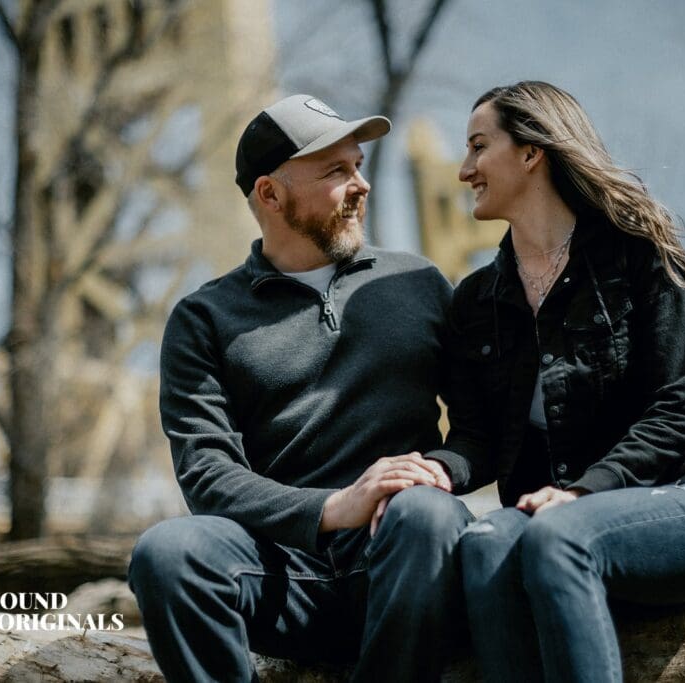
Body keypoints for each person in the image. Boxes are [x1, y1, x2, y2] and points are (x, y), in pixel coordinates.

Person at [127, 94, 473, 683]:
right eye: (337, 171)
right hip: (282, 574)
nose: (361, 185)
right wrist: (335, 507)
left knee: (426, 516)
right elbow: (208, 472)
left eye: (359, 166)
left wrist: (430, 473)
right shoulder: (203, 318)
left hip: (405, 557)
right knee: (167, 554)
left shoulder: (418, 282)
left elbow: (482, 425)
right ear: (270, 194)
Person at [424, 81, 685, 682]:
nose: (464, 169)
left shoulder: (636, 251)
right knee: (487, 542)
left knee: (556, 539)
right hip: (557, 520)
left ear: (530, 152)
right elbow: (477, 440)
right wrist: (435, 469)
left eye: (477, 146)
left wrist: (581, 494)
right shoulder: (476, 301)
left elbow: (678, 411)